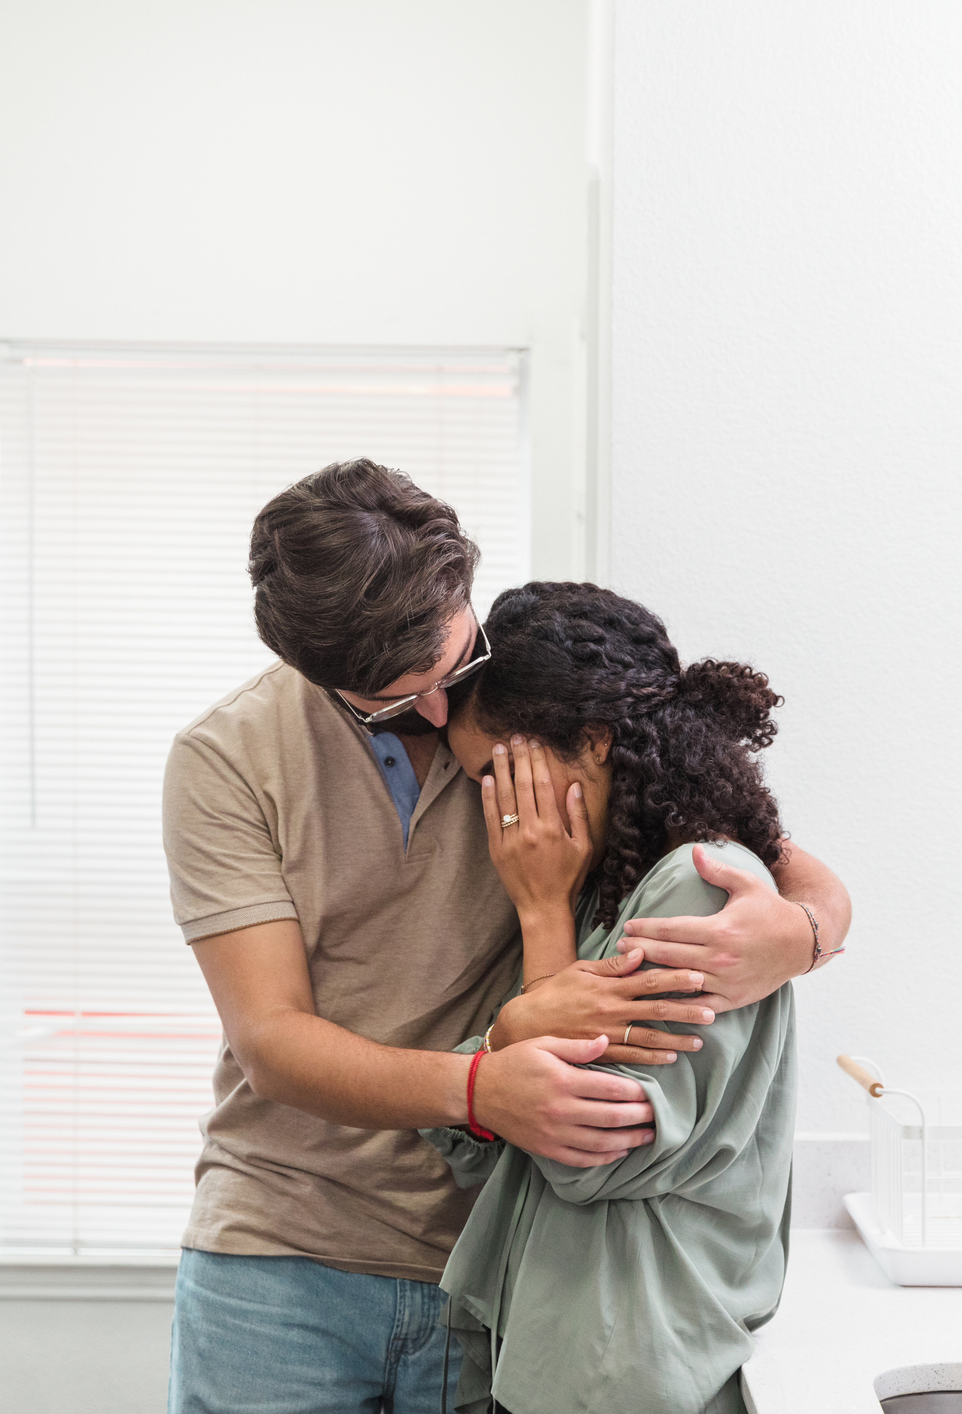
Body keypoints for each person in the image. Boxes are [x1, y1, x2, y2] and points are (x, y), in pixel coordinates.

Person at [163, 459, 849, 1413]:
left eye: (456, 667)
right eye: (403, 701)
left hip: (491, 1269)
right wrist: (483, 1086)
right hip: (281, 1256)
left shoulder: (528, 706)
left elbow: (744, 835)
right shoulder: (227, 760)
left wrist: (804, 931)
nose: (443, 716)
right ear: (323, 677)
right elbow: (271, 1042)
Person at [427, 581, 798, 1414]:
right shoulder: (617, 890)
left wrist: (537, 916)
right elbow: (488, 1137)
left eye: (497, 776)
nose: (494, 814)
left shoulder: (695, 891)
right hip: (576, 1357)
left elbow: (578, 1145)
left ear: (592, 742)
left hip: (622, 1372)